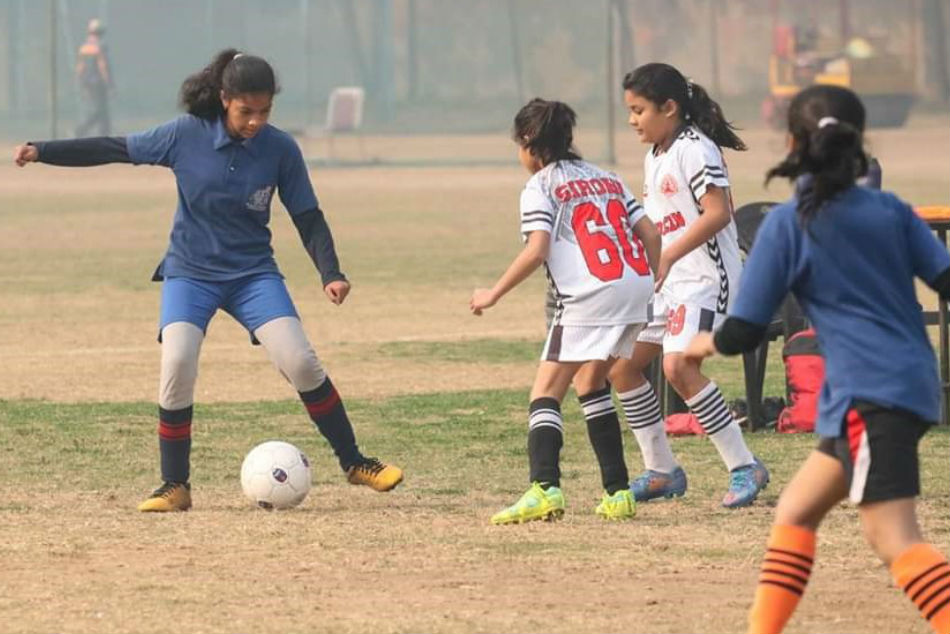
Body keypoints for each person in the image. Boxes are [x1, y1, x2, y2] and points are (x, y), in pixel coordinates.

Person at [13, 49, 403, 512]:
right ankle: (175, 485)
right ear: (224, 99)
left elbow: (307, 216)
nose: (256, 121)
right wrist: (44, 150)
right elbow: (116, 148)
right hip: (190, 274)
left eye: (265, 111)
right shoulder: (184, 135)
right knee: (177, 363)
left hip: (252, 274)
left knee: (299, 360)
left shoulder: (281, 148)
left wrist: (330, 272)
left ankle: (355, 462)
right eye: (246, 111)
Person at [683, 84, 950, 634]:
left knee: (893, 537)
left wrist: (706, 343)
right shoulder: (891, 210)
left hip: (868, 395)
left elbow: (745, 328)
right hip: (903, 386)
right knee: (796, 512)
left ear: (792, 142)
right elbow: (945, 279)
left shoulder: (790, 222)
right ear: (859, 140)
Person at [471, 98, 661, 525]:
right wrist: (648, 281)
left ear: (527, 142)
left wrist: (493, 294)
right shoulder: (607, 177)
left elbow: (537, 250)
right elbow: (649, 231)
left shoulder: (541, 185)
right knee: (592, 381)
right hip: (635, 290)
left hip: (590, 298)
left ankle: (544, 488)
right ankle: (617, 493)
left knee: (545, 392)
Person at [609, 63, 769, 508]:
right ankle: (662, 470)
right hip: (667, 282)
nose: (632, 120)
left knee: (678, 367)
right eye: (629, 111)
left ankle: (744, 466)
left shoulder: (696, 149)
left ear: (670, 107)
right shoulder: (656, 154)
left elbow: (717, 213)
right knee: (622, 366)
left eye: (638, 110)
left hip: (706, 279)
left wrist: (671, 254)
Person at [75, 18, 113, 137]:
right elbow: (103, 66)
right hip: (98, 83)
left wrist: (81, 82)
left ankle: (104, 133)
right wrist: (109, 83)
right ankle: (81, 129)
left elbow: (80, 68)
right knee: (100, 110)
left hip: (88, 83)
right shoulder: (100, 47)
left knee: (101, 110)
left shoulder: (84, 48)